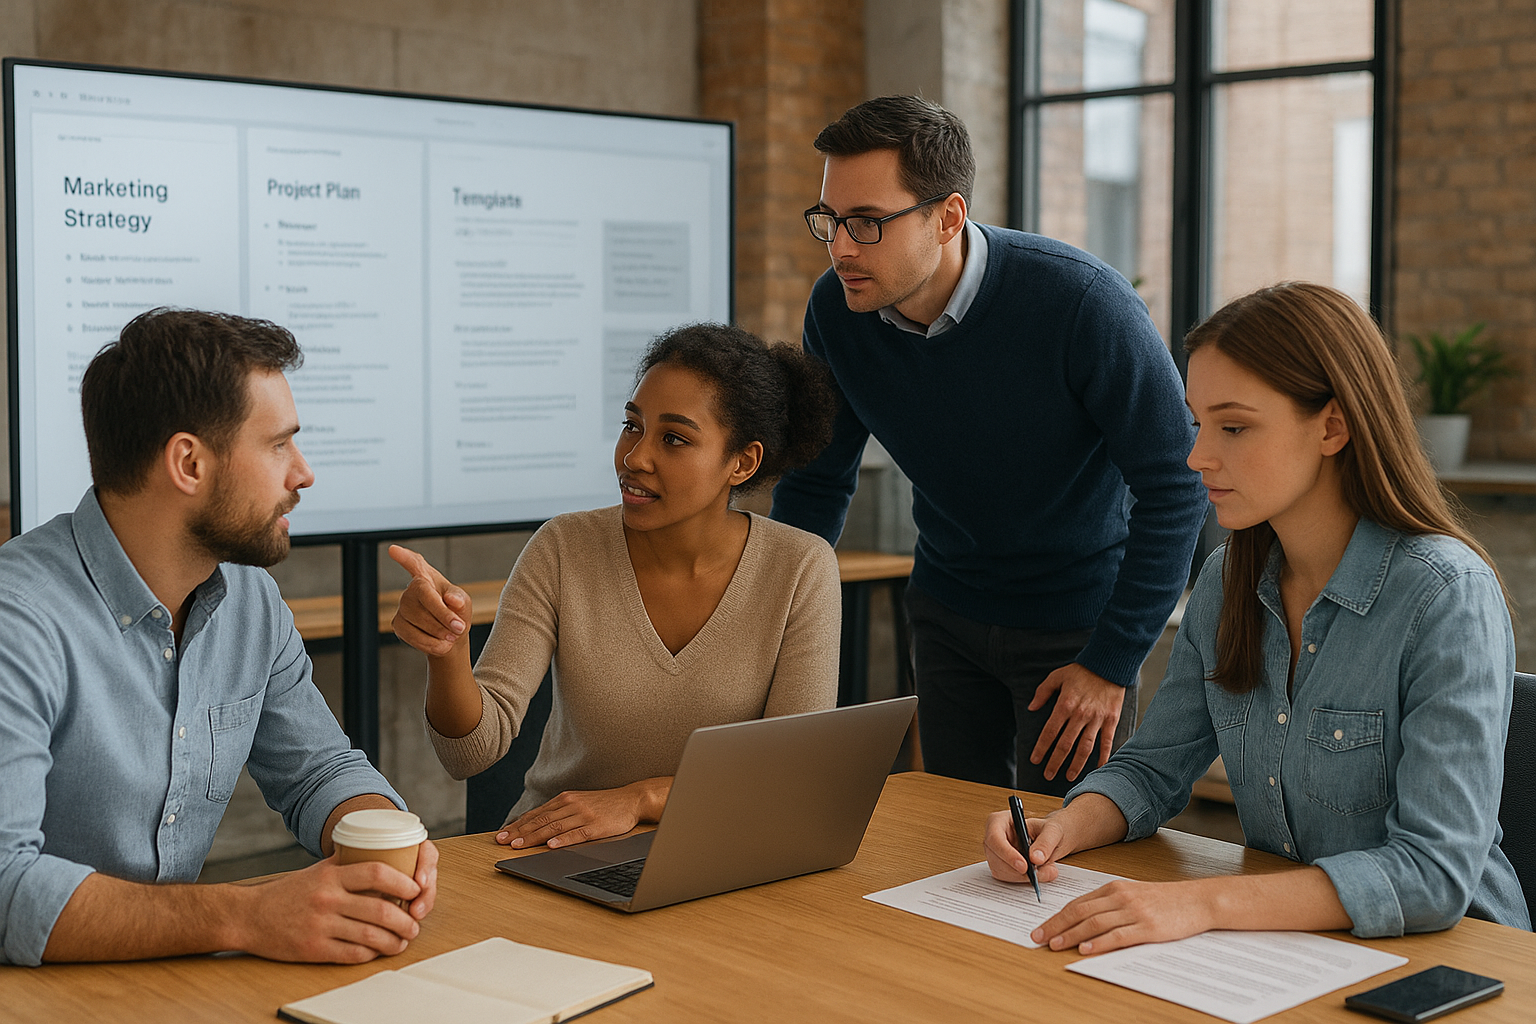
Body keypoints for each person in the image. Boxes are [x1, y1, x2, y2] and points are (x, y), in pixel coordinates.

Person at [983, 281, 1531, 951]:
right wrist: (1063, 828)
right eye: (1197, 423)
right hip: (1293, 946)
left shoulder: (1446, 597)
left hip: (1456, 957)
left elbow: (1433, 873)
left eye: (1234, 427)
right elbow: (1150, 771)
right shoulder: (1228, 580)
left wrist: (1203, 901)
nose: (1197, 457)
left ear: (1333, 426)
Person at [771, 95, 1207, 797]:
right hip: (947, 609)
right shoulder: (838, 310)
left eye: (866, 223)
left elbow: (1177, 483)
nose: (841, 248)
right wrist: (774, 623)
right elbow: (818, 479)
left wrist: (1114, 660)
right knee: (950, 841)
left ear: (947, 217)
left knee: (1062, 854)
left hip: (1078, 626)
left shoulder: (1083, 303)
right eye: (829, 221)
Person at [0, 308, 438, 967]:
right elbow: (5, 887)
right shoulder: (17, 617)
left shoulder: (250, 601)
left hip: (163, 985)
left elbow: (317, 769)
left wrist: (388, 842)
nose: (304, 473)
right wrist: (247, 916)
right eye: (278, 445)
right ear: (188, 463)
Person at [391, 322, 842, 850]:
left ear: (741, 462)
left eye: (673, 438)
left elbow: (788, 774)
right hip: (558, 849)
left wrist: (641, 799)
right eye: (632, 425)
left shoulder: (800, 567)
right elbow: (471, 753)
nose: (634, 457)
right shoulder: (564, 547)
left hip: (720, 850)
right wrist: (448, 651)